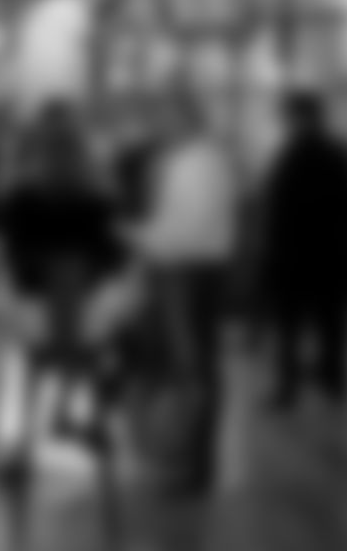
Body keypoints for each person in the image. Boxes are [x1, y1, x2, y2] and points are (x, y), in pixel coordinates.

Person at [0, 117, 125, 484]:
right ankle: (68, 409)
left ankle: (21, 445)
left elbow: (12, 259)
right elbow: (112, 261)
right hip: (82, 317)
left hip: (36, 315)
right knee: (99, 339)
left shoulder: (20, 200)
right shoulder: (98, 203)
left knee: (22, 356)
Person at [134, 95, 238, 493]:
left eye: (162, 117)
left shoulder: (191, 164)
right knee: (198, 365)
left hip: (186, 272)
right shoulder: (208, 160)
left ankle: (193, 464)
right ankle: (191, 461)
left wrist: (138, 237)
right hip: (196, 270)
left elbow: (181, 231)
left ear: (182, 119)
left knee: (192, 368)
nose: (157, 127)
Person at [261, 92, 347, 411]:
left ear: (300, 118)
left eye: (289, 117)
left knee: (290, 326)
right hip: (333, 255)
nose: (286, 123)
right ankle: (335, 382)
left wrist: (271, 256)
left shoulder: (290, 157)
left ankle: (288, 388)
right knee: (333, 324)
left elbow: (280, 213)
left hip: (295, 257)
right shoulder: (341, 155)